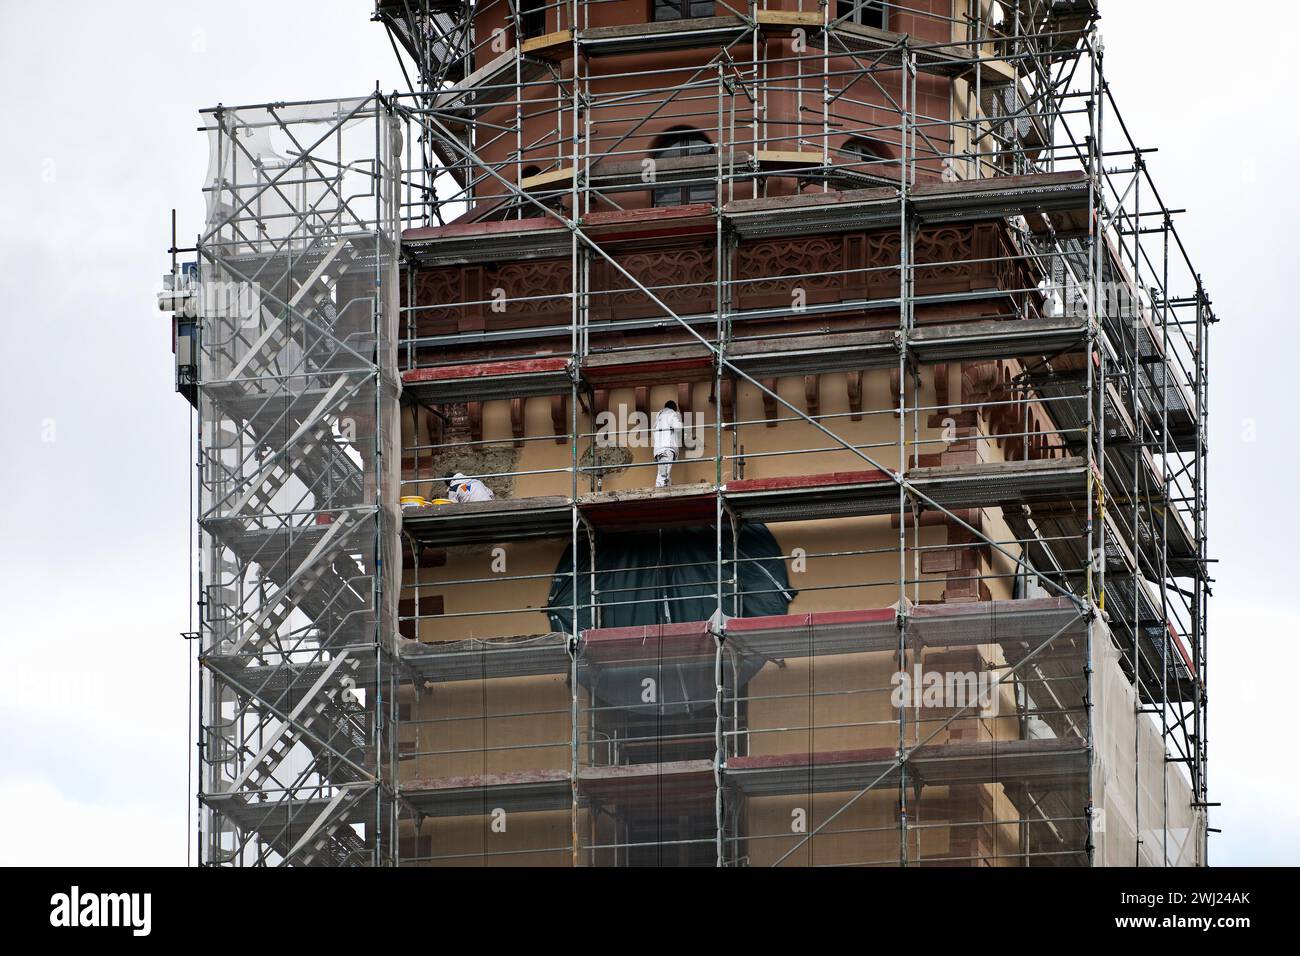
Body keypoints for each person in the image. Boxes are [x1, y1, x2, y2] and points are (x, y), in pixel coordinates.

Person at [652, 400, 682, 488]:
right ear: (673, 408)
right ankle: (662, 490)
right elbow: (678, 427)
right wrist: (680, 422)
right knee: (665, 473)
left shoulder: (658, 418)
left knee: (662, 471)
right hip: (667, 447)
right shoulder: (671, 414)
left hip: (659, 449)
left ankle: (663, 486)